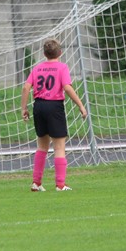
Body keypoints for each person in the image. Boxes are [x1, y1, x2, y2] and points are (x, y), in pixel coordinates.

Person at [21, 38, 87, 192]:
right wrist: (81, 105)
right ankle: (60, 185)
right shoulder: (62, 67)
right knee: (59, 147)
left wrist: (23, 108)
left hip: (38, 106)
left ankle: (36, 183)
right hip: (54, 106)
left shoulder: (37, 68)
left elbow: (25, 88)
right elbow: (67, 88)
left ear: (44, 54)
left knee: (42, 146)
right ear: (60, 53)